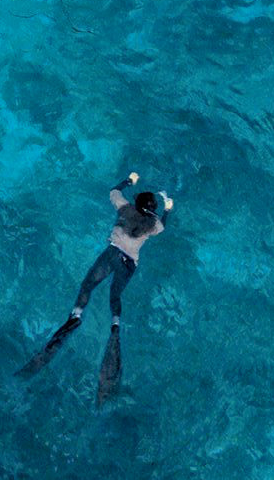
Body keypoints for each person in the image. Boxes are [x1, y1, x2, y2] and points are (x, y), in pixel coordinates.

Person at [18, 170, 173, 403]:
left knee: (88, 285)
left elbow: (114, 191)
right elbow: (163, 223)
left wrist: (129, 180)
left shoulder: (124, 208)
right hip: (129, 264)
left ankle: (77, 315)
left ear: (136, 203)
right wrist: (168, 206)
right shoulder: (152, 224)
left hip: (111, 255)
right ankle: (115, 326)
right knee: (115, 296)